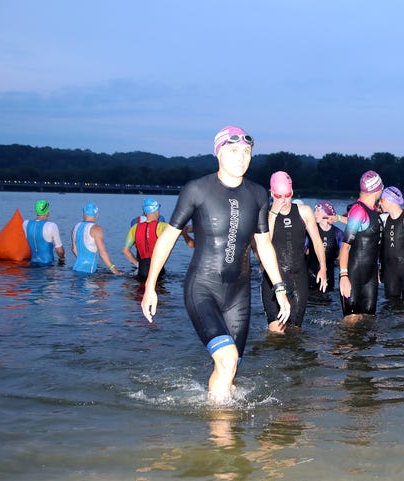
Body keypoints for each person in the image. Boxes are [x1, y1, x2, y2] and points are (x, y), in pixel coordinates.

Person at [140, 126, 290, 403]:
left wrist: (279, 288)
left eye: (246, 151)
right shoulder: (197, 190)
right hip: (203, 288)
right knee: (228, 358)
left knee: (230, 368)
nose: (241, 157)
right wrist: (151, 286)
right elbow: (168, 238)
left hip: (238, 296)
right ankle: (221, 438)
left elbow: (264, 244)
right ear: (219, 153)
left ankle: (219, 428)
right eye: (233, 151)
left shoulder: (258, 194)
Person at [261, 171, 327, 332]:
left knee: (294, 331)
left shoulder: (304, 211)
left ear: (292, 192)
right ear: (272, 193)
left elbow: (317, 242)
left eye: (288, 195)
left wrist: (323, 267)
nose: (283, 200)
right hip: (272, 280)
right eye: (278, 195)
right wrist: (274, 213)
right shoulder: (264, 215)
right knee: (276, 331)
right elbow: (263, 243)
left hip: (298, 278)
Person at [338, 170, 384, 320]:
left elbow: (373, 244)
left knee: (369, 323)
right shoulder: (358, 211)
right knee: (351, 324)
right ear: (376, 189)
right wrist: (343, 275)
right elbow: (345, 246)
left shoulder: (373, 211)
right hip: (353, 275)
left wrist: (376, 269)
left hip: (370, 276)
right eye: (381, 187)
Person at [122, 198, 172, 281]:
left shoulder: (134, 227)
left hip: (142, 271)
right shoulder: (162, 226)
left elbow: (125, 251)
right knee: (159, 291)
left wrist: (138, 264)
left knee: (140, 292)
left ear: (145, 212)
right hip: (157, 270)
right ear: (157, 211)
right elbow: (179, 231)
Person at [71, 203, 121, 274]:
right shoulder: (97, 229)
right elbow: (102, 253)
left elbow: (74, 249)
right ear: (97, 215)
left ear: (83, 214)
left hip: (76, 268)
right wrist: (114, 270)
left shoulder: (75, 227)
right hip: (88, 271)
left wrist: (83, 260)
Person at [306, 200, 344, 292]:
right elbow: (303, 250)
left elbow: (343, 256)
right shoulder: (310, 231)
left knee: (326, 302)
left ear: (328, 213)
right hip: (310, 275)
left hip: (329, 277)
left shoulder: (338, 233)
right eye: (314, 211)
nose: (314, 214)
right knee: (311, 304)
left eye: (318, 211)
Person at [22, 200, 65, 265]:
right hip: (47, 265)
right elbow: (59, 250)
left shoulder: (25, 224)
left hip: (32, 264)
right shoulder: (51, 226)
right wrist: (62, 259)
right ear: (47, 212)